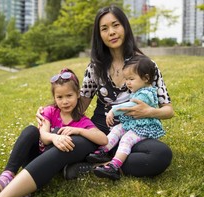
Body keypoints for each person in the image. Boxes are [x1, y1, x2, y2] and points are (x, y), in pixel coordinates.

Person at [36, 5, 174, 179]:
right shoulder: (95, 67)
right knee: (61, 144)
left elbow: (168, 109)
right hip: (99, 132)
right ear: (99, 35)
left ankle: (96, 165)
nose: (111, 32)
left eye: (116, 25)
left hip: (134, 131)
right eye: (104, 28)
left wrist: (150, 111)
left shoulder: (146, 66)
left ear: (125, 27)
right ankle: (105, 159)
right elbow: (78, 107)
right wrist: (49, 112)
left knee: (160, 155)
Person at [0, 68, 107, 197]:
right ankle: (8, 175)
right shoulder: (50, 112)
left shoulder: (81, 121)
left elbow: (103, 139)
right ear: (54, 97)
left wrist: (79, 131)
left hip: (49, 163)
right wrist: (55, 137)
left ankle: (23, 191)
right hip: (36, 155)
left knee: (50, 150)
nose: (64, 101)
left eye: (69, 96)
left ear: (78, 94)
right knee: (30, 130)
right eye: (59, 97)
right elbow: (44, 136)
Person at [89, 55, 166, 181]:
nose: (127, 83)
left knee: (126, 139)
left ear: (146, 78)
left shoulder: (147, 93)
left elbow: (130, 105)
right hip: (133, 123)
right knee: (116, 129)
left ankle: (114, 166)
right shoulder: (139, 90)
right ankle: (104, 151)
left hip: (143, 127)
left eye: (131, 79)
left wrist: (114, 110)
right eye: (126, 79)